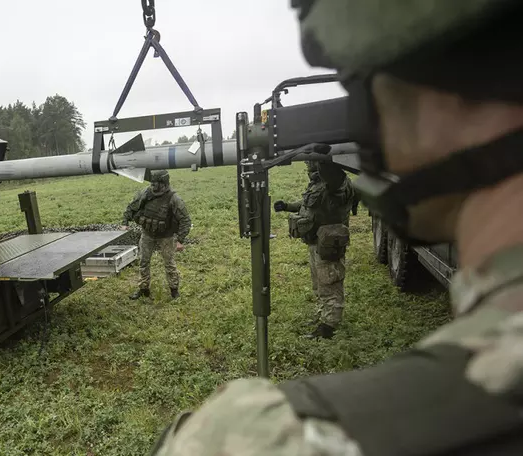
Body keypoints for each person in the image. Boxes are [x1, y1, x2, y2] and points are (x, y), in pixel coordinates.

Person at [150, 1, 523, 454]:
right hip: (318, 235)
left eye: (361, 88)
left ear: (451, 92)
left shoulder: (246, 438)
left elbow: (328, 195)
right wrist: (291, 205)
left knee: (330, 284)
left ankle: (330, 322)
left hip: (326, 239)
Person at [274, 159, 355, 339]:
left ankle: (329, 327)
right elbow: (308, 205)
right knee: (319, 284)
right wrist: (287, 206)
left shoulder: (336, 182)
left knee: (330, 283)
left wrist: (325, 158)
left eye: (311, 160)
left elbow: (333, 177)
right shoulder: (318, 183)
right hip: (316, 242)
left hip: (328, 243)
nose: (307, 163)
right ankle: (323, 316)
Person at [122, 170, 191, 300]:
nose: (153, 186)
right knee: (143, 261)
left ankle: (174, 290)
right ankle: (143, 289)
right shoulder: (146, 193)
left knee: (169, 263)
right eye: (152, 183)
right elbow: (132, 206)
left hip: (166, 236)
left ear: (164, 184)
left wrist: (180, 240)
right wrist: (125, 221)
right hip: (147, 234)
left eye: (156, 184)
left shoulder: (174, 199)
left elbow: (185, 220)